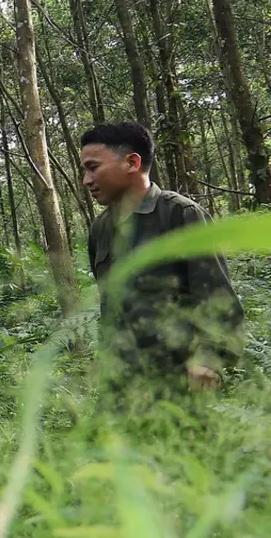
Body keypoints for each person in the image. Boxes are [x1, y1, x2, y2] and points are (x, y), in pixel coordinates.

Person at [80, 122, 243, 397]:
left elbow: (219, 301)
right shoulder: (100, 229)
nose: (86, 180)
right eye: (84, 170)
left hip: (182, 386)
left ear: (132, 162)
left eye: (93, 167)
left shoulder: (181, 215)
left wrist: (208, 361)